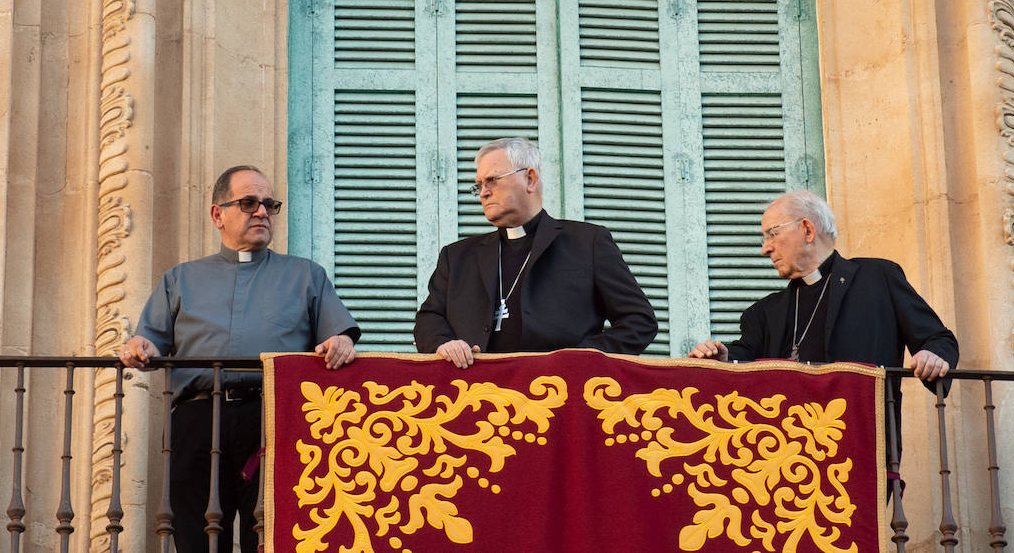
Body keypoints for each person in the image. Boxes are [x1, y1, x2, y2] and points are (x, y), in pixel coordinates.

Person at [118, 165, 360, 553]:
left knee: (267, 537)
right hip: (198, 420)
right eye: (249, 203)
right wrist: (140, 347)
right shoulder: (181, 279)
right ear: (218, 215)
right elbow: (151, 339)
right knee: (195, 535)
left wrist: (341, 342)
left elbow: (337, 334)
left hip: (274, 423)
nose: (262, 212)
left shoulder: (306, 276)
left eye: (269, 204)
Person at [688, 190, 957, 471]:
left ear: (806, 229)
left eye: (772, 234)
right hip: (784, 457)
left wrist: (933, 355)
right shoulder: (765, 313)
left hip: (859, 446)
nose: (765, 249)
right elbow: (746, 356)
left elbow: (938, 338)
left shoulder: (877, 279)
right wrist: (721, 354)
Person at [415, 137, 657, 367]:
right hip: (475, 396)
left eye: (492, 180)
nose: (483, 192)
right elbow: (428, 319)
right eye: (478, 185)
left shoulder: (587, 242)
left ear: (530, 179)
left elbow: (639, 321)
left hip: (560, 393)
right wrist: (444, 344)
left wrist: (582, 358)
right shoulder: (456, 257)